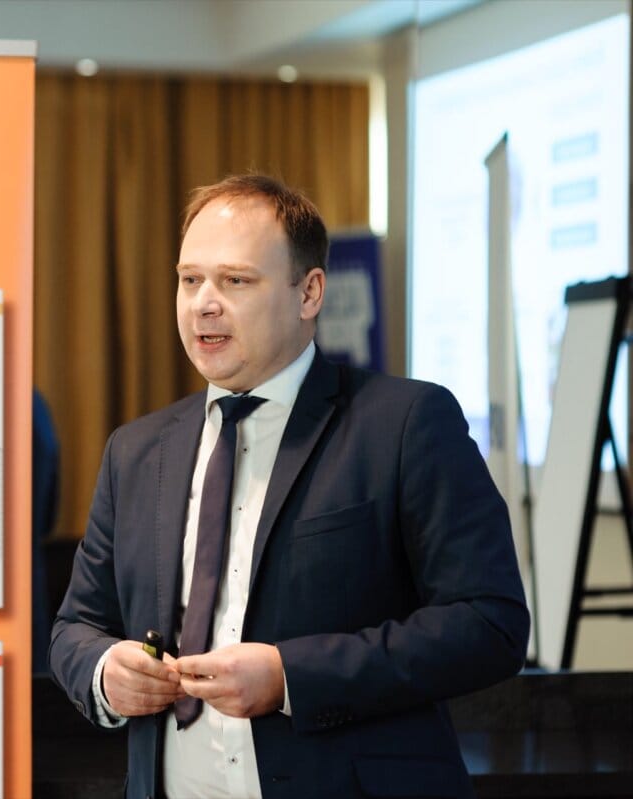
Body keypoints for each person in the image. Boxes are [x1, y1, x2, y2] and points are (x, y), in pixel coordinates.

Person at [48, 174, 529, 799]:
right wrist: (107, 674)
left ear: (310, 292)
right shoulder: (137, 452)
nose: (203, 304)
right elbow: (75, 626)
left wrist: (291, 676)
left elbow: (488, 625)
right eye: (189, 280)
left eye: (235, 280)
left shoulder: (405, 424)